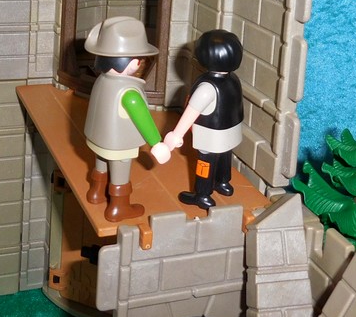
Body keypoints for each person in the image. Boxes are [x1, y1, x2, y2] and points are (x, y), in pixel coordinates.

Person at [83, 16, 171, 221]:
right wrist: (156, 143)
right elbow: (143, 120)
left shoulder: (102, 80)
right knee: (120, 172)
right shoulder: (129, 92)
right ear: (132, 62)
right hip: (118, 145)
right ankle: (118, 207)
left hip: (97, 139)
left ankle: (96, 192)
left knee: (101, 163)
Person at [164, 30, 243, 210]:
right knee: (225, 156)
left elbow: (191, 112)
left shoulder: (207, 88)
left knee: (205, 162)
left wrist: (176, 135)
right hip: (231, 130)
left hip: (211, 134)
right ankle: (223, 183)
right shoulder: (234, 80)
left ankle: (202, 194)